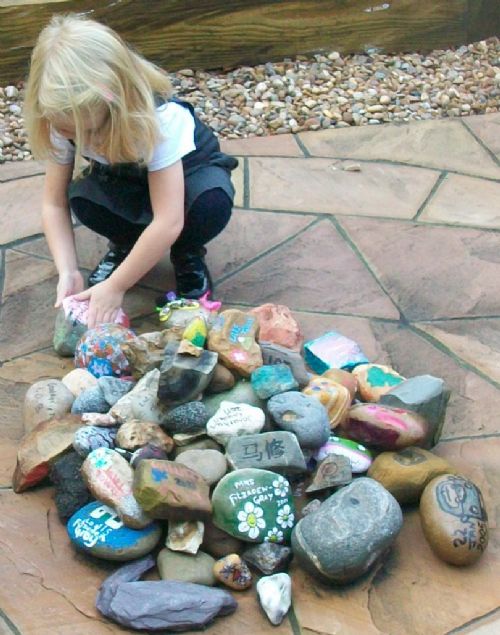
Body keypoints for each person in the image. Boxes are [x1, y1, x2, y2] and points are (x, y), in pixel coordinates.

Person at [24, 14, 238, 328]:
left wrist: (116, 286)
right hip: (129, 182)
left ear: (114, 104)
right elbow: (53, 204)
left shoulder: (161, 118)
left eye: (89, 131)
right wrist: (67, 270)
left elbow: (169, 219)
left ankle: (187, 252)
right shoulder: (61, 119)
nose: (80, 139)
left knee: (209, 204)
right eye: (70, 132)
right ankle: (127, 247)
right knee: (83, 198)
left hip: (189, 180)